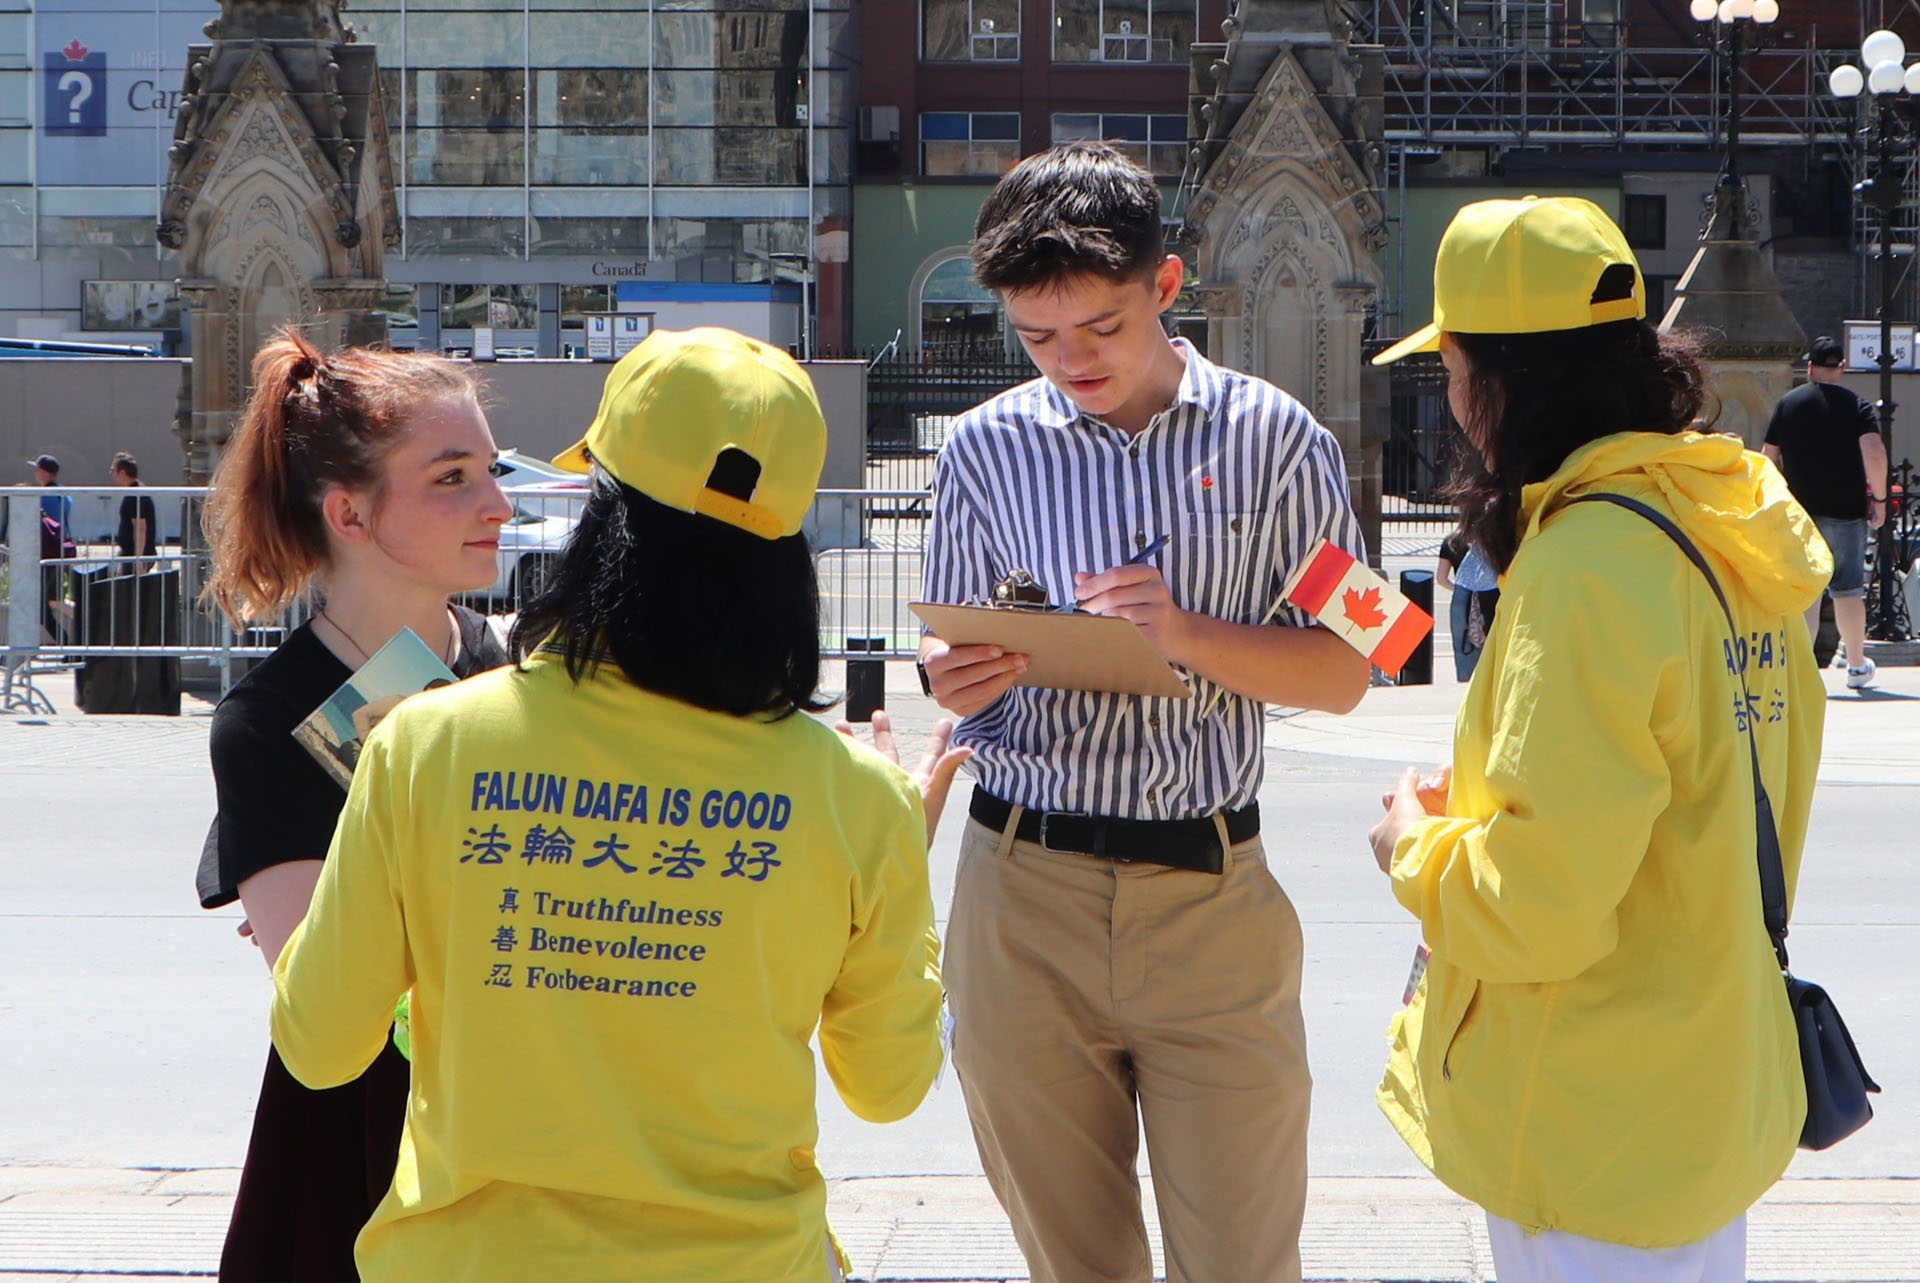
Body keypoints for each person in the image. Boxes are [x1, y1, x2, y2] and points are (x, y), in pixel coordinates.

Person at [268, 326, 964, 1282]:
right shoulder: (858, 796)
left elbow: (318, 1047)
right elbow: (889, 1086)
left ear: (603, 513)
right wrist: (900, 864)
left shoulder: (424, 743)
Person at [917, 142, 1370, 1283]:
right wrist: (950, 673)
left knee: (1243, 1261)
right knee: (1072, 1264)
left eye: (1101, 327)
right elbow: (948, 634)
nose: (1070, 360)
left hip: (1211, 900)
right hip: (1019, 895)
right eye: (1037, 336)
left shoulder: (1283, 441)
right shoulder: (981, 451)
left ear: (1166, 286)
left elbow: (1359, 663)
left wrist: (1187, 635)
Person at [1367, 195, 1827, 1283]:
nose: (1451, 397)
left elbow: (1537, 904)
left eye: (1451, 365)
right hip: (1706, 1085)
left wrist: (1410, 845)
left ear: (1498, 377)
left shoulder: (1583, 567)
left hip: (1592, 1112)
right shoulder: (1722, 522)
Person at [196, 330, 516, 1283]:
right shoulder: (265, 723)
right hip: (363, 1141)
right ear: (349, 512)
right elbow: (331, 1010)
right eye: (452, 477)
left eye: (491, 471)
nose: (498, 504)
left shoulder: (515, 667)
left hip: (529, 1123)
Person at [1762, 335, 1890, 689]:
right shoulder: (1856, 405)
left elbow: (1767, 458)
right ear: (1841, 367)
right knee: (1847, 589)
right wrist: (1879, 499)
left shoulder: (1788, 404)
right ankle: (1856, 666)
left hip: (1798, 513)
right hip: (1845, 510)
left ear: (1810, 368)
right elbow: (1874, 452)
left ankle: (1803, 670)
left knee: (1808, 592)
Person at [1435, 530, 1499, 682]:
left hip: (1462, 601)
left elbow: (1441, 579)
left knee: (1464, 653)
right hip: (1491, 598)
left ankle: (1464, 689)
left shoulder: (1451, 541)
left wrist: (1461, 590)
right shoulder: (1494, 540)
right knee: (1492, 657)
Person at [110, 451, 159, 569]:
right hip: (130, 555)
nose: (111, 474)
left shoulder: (135, 495)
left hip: (136, 558)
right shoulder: (133, 492)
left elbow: (140, 528)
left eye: (113, 470)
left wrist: (138, 559)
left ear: (122, 473)